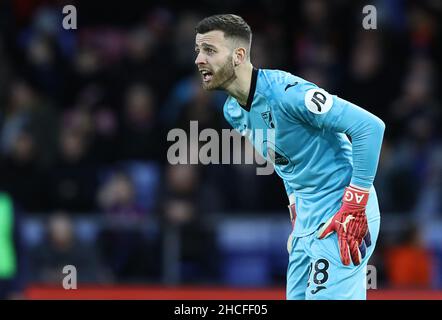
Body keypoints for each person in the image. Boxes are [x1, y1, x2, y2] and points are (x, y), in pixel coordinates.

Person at [193, 14, 385, 300]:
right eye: (197, 50)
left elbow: (370, 128)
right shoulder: (233, 111)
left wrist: (354, 206)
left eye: (209, 50)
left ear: (239, 55)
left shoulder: (287, 94)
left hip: (342, 211)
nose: (198, 59)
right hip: (308, 221)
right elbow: (284, 160)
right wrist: (297, 213)